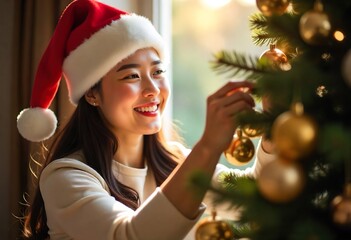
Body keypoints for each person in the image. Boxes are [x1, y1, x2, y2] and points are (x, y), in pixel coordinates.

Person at [17, 1, 274, 239]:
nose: (153, 89)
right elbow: (131, 235)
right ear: (92, 94)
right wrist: (208, 146)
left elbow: (261, 199)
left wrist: (275, 117)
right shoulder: (66, 178)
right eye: (131, 76)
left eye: (158, 71)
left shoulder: (174, 162)